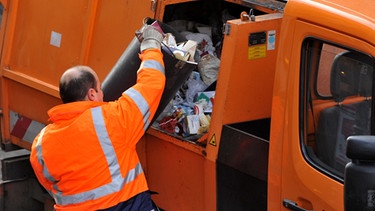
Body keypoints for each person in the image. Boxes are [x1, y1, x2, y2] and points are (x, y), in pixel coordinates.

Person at [29, 25, 165, 210]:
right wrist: (151, 44)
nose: (102, 94)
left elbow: (49, 184)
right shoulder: (112, 119)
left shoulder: (40, 144)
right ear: (92, 94)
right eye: (100, 89)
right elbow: (151, 84)